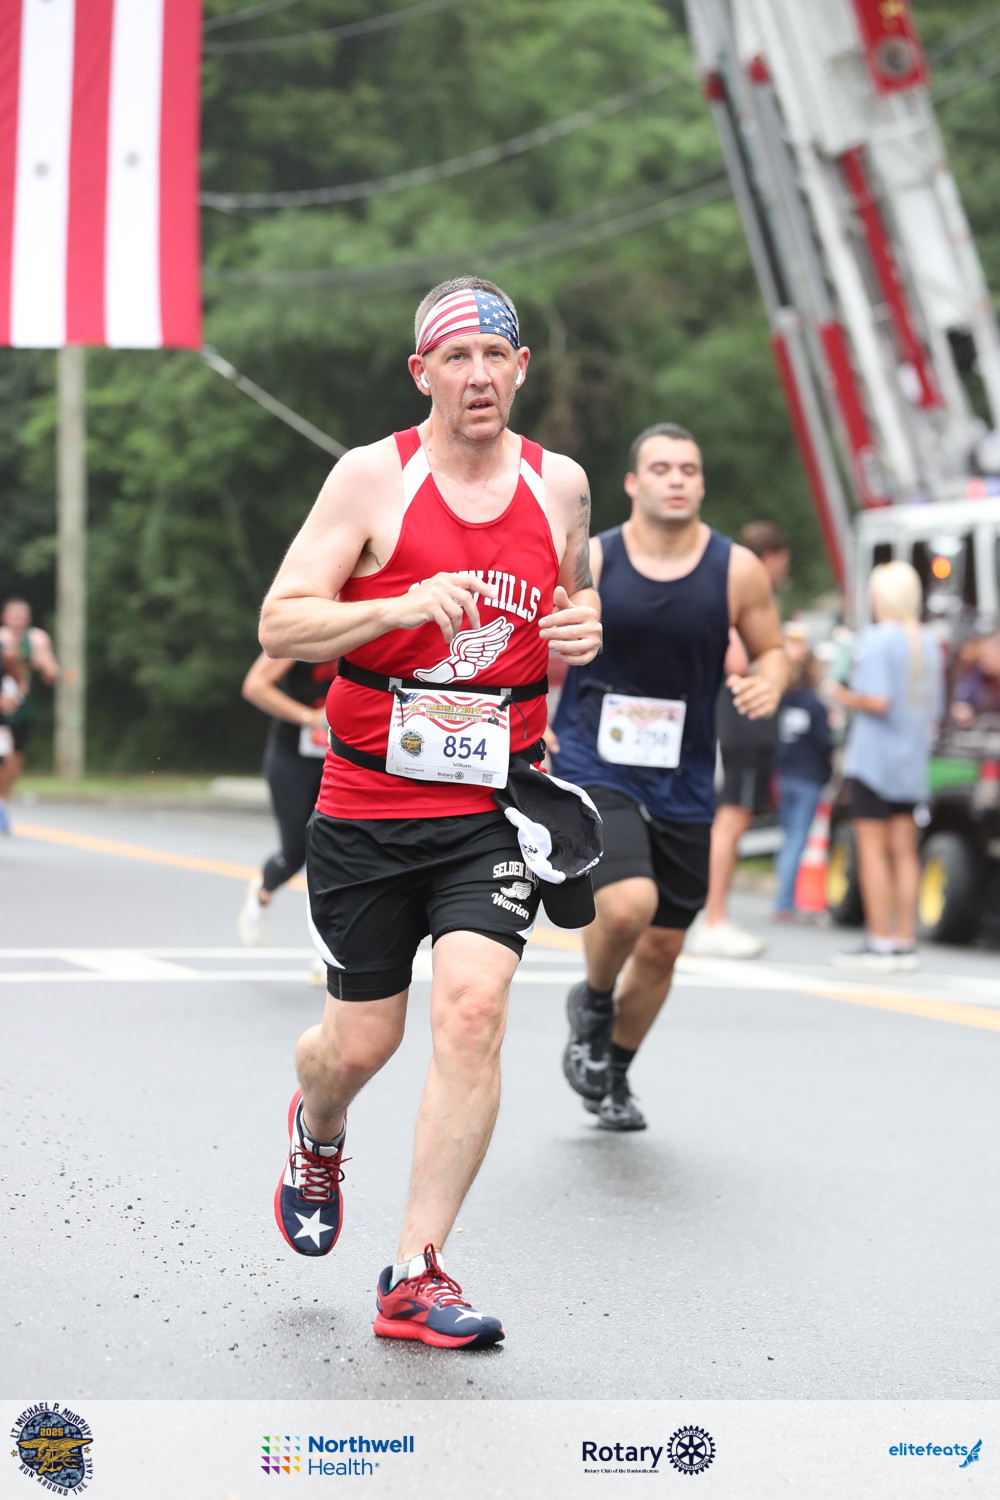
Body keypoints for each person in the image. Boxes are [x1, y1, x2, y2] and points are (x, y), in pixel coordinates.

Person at [257, 275, 602, 1348]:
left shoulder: (560, 486)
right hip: (366, 802)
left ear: (520, 369)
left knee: (471, 1010)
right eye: (456, 358)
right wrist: (397, 604)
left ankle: (417, 1270)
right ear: (423, 374)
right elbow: (282, 621)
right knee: (358, 1044)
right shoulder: (373, 478)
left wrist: (585, 625)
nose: (478, 375)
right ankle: (319, 1126)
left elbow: (574, 592)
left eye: (495, 356)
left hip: (493, 804)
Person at [550, 424, 786, 1131]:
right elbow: (536, 640)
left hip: (683, 771)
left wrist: (770, 681)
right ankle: (594, 1001)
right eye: (661, 468)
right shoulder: (594, 558)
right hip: (596, 758)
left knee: (663, 945)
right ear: (632, 483)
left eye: (688, 468)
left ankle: (614, 1072)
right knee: (628, 906)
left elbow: (772, 649)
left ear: (702, 483)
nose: (676, 479)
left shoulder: (736, 568)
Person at [832, 561, 944, 972]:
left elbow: (877, 700)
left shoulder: (878, 640)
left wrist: (844, 695)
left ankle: (879, 940)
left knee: (872, 852)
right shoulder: (928, 644)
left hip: (874, 762)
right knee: (905, 851)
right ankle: (904, 941)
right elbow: (934, 711)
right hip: (910, 763)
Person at [686, 521, 790, 958]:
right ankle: (713, 918)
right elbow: (732, 658)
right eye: (782, 563)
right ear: (770, 559)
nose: (784, 572)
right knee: (730, 821)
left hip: (740, 720)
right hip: (740, 719)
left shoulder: (741, 594)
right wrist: (774, 659)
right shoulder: (742, 598)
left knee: (732, 820)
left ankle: (712, 916)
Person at [236, 652, 338, 954]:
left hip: (345, 756)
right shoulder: (310, 635)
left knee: (336, 855)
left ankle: (328, 954)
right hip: (295, 754)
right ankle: (262, 894)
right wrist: (310, 718)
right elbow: (255, 685)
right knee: (295, 852)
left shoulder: (375, 631)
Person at [771, 624, 833, 921]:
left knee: (787, 836)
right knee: (797, 838)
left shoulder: (782, 699)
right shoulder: (814, 704)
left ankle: (782, 896)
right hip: (808, 776)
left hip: (784, 774)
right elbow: (824, 741)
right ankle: (784, 902)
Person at [0, 598, 60, 833]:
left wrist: (43, 664)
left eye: (22, 614)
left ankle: (3, 803)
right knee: (2, 756)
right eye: (13, 614)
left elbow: (51, 675)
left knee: (14, 762)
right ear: (5, 616)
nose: (18, 618)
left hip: (22, 709)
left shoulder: (37, 640)